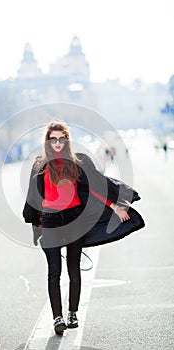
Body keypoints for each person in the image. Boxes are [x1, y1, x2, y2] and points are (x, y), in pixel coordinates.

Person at [23, 120, 144, 335]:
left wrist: (116, 206)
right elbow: (34, 196)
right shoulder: (39, 165)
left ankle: (72, 313)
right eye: (53, 139)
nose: (58, 143)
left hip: (74, 219)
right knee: (53, 272)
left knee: (73, 269)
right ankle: (57, 318)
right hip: (51, 221)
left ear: (67, 140)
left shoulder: (76, 163)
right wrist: (37, 223)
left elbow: (96, 186)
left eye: (62, 139)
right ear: (48, 141)